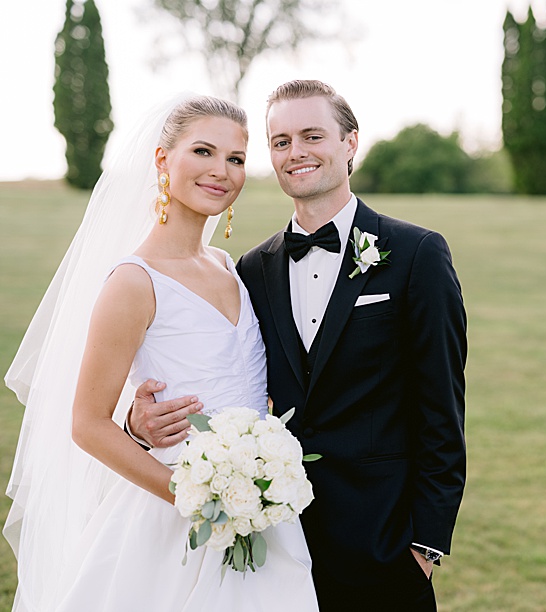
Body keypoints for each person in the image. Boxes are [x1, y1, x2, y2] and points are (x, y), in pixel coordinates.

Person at [129, 80, 467, 610]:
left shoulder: (416, 254)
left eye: (313, 135)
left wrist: (425, 546)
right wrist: (137, 423)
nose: (296, 153)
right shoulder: (251, 270)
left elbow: (443, 411)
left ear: (350, 143)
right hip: (268, 539)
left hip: (383, 548)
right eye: (281, 141)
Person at [4, 96, 318, 611]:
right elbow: (86, 423)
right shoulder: (134, 281)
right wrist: (195, 494)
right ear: (161, 160)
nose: (222, 171)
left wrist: (254, 484)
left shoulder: (227, 266)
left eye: (236, 158)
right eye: (203, 151)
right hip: (172, 514)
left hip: (261, 507)